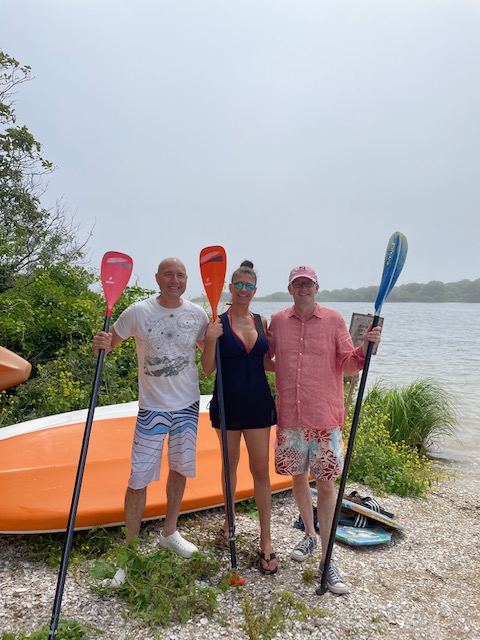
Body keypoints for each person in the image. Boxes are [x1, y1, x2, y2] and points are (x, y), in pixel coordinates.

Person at [267, 265, 381, 594]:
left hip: (325, 417)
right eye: (297, 284)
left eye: (308, 284)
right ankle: (309, 536)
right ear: (290, 289)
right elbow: (266, 355)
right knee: (298, 476)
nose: (303, 288)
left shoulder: (333, 320)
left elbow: (348, 362)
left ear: (317, 287)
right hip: (291, 415)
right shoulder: (277, 321)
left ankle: (328, 559)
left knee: (327, 485)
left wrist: (365, 348)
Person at [93, 257, 208, 563]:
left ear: (187, 281)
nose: (175, 280)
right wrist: (100, 343)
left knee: (180, 469)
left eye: (180, 275)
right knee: (139, 478)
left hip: (187, 405)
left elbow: (208, 361)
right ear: (158, 278)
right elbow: (110, 343)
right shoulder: (139, 312)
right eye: (169, 274)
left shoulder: (197, 314)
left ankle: (170, 533)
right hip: (152, 408)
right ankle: (130, 550)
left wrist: (219, 338)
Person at [201, 260, 278, 575]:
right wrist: (209, 339)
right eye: (239, 284)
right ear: (230, 288)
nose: (244, 290)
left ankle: (266, 541)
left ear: (255, 290)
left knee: (261, 470)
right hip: (228, 404)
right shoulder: (217, 321)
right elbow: (207, 369)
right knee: (229, 468)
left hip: (258, 403)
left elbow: (268, 363)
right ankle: (228, 524)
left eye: (249, 285)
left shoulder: (262, 321)